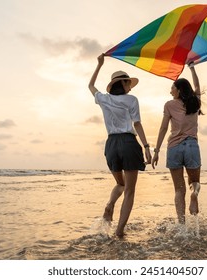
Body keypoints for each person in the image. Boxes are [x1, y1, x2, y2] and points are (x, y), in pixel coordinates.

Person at [88, 54, 152, 237]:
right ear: (123, 83)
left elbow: (90, 86)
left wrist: (99, 65)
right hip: (128, 143)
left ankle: (109, 205)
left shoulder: (103, 99)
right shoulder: (131, 100)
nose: (130, 86)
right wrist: (147, 147)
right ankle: (119, 232)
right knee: (130, 191)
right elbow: (137, 124)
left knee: (120, 184)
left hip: (111, 145)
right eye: (128, 83)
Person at [152, 64, 202, 224]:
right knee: (194, 182)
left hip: (174, 148)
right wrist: (192, 68)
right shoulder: (195, 102)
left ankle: (181, 224)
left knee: (178, 190)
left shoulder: (169, 105)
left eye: (172, 88)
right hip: (191, 146)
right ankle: (194, 194)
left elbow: (163, 128)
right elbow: (197, 86)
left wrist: (157, 150)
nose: (170, 91)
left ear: (179, 89)